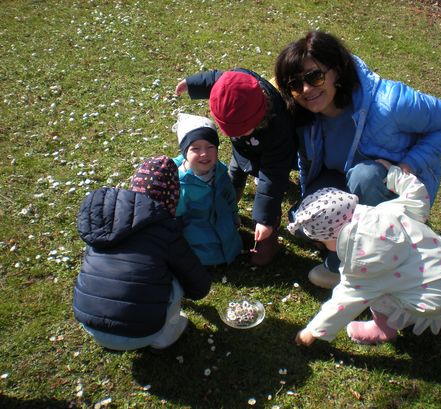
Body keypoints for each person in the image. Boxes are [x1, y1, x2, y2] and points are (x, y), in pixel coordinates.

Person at [275, 30, 441, 288]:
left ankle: (384, 255)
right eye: (296, 84)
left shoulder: (390, 102)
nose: (306, 89)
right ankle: (351, 247)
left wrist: (407, 167)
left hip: (388, 182)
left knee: (364, 176)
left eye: (314, 76)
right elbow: (309, 164)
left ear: (337, 71)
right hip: (344, 176)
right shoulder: (305, 116)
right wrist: (310, 199)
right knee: (303, 220)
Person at [287, 161, 441, 347]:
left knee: (377, 295)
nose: (326, 247)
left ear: (333, 237)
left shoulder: (364, 263)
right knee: (388, 279)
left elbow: (345, 301)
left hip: (437, 299)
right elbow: (416, 195)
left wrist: (312, 331)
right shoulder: (386, 210)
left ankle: (383, 329)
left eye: (324, 243)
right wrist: (393, 174)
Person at [73, 156, 212, 351]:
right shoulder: (165, 231)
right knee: (175, 277)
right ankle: (164, 337)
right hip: (141, 334)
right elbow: (199, 286)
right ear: (172, 196)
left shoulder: (104, 219)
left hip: (90, 326)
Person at [175, 68, 297, 266]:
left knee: (267, 197)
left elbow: (272, 179)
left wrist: (264, 219)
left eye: (240, 130)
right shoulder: (235, 84)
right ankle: (227, 206)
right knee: (233, 176)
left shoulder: (278, 130)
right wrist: (192, 83)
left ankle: (268, 239)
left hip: (268, 157)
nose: (235, 134)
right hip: (242, 150)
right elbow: (217, 80)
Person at [171, 112, 243, 265]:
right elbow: (176, 218)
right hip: (198, 238)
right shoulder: (180, 183)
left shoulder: (220, 172)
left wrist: (234, 215)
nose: (204, 153)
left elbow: (229, 196)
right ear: (184, 152)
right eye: (195, 148)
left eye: (210, 147)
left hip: (224, 227)